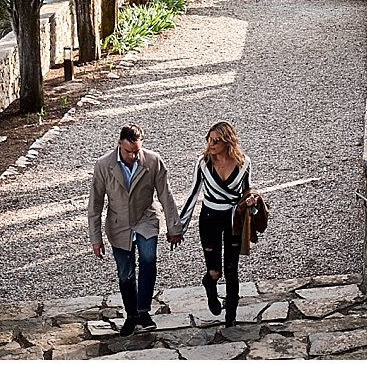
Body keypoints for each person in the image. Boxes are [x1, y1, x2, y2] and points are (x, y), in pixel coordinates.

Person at [88, 124, 183, 336]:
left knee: (148, 259)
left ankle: (143, 311)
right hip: (118, 224)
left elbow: (165, 195)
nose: (132, 155)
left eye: (136, 151)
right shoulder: (103, 165)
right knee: (125, 274)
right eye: (128, 151)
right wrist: (96, 239)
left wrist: (174, 227)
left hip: (146, 218)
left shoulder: (153, 161)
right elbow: (95, 204)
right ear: (119, 144)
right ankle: (131, 315)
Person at [177, 121, 261, 326]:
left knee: (232, 270)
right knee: (215, 271)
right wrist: (178, 227)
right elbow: (192, 194)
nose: (211, 144)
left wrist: (252, 202)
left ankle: (230, 316)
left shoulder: (244, 163)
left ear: (227, 142)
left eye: (216, 140)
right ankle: (210, 289)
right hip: (209, 219)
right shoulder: (203, 162)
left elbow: (247, 192)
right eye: (209, 139)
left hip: (233, 220)